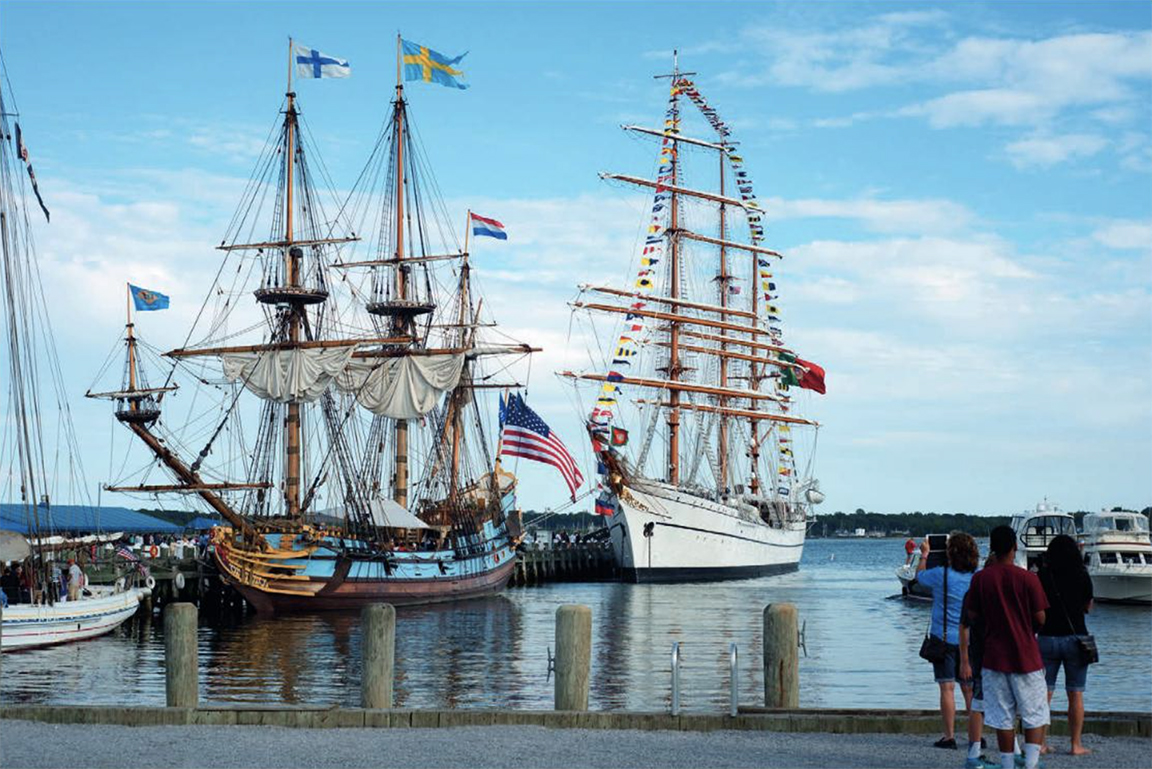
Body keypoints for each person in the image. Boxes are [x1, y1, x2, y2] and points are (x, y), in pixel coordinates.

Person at [965, 525, 1049, 769]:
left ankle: (1007, 764)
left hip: (994, 657)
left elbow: (972, 614)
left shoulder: (981, 579)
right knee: (1034, 713)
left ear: (992, 547)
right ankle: (1031, 763)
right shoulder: (1028, 579)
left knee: (1002, 717)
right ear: (1015, 547)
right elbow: (1041, 617)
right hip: (1026, 656)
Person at [916, 531, 979, 750]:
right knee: (969, 689)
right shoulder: (976, 577)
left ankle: (949, 736)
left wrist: (924, 555)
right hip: (970, 641)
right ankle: (975, 735)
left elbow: (920, 577)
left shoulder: (941, 574)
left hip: (942, 639)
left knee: (947, 689)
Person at [1037, 534, 1094, 756]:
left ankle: (1039, 743)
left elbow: (1036, 607)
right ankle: (1075, 744)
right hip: (1076, 638)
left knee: (1044, 693)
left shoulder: (1043, 575)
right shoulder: (1082, 575)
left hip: (1047, 637)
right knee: (1076, 693)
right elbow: (1087, 606)